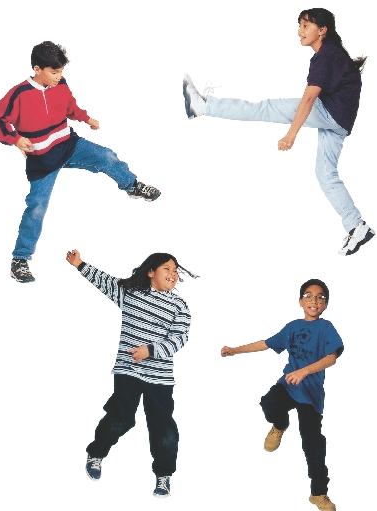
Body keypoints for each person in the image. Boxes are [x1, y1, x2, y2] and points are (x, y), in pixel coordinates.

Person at [183, 8, 374, 256]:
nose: (299, 31)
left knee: (266, 108)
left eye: (306, 26)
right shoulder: (330, 54)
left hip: (330, 113)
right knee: (325, 173)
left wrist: (290, 135)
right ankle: (357, 226)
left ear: (322, 30)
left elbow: (308, 99)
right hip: (340, 120)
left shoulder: (326, 55)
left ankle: (204, 106)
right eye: (299, 25)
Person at [0, 41, 161, 284]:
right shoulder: (19, 94)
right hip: (42, 160)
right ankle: (20, 259)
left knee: (107, 156)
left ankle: (132, 186)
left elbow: (69, 106)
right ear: (37, 69)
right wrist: (15, 139)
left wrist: (86, 118)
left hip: (68, 146)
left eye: (61, 72)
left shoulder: (62, 85)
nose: (59, 77)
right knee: (36, 207)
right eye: (54, 72)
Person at [66, 249, 197, 498]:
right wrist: (80, 264)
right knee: (121, 417)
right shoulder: (131, 294)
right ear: (151, 272)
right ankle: (96, 453)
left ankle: (163, 475)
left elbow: (180, 339)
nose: (173, 274)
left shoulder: (179, 305)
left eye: (176, 271)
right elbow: (104, 281)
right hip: (128, 371)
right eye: (167, 269)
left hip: (159, 378)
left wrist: (150, 350)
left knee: (163, 427)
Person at [221, 279, 343, 511]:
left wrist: (305, 371)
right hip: (288, 385)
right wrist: (235, 350)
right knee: (269, 403)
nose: (314, 300)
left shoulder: (327, 328)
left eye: (320, 297)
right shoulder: (293, 327)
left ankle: (319, 494)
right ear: (300, 301)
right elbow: (266, 343)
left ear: (326, 304)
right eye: (308, 296)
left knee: (313, 445)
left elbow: (332, 358)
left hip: (311, 395)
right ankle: (279, 424)